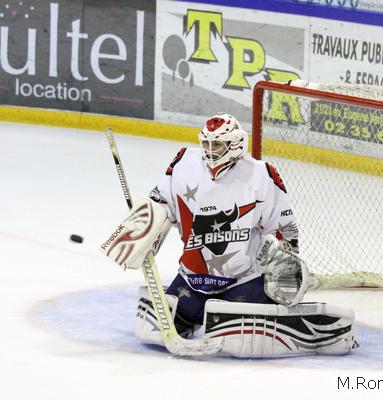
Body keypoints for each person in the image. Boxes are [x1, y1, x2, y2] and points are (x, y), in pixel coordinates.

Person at [102, 112, 356, 357]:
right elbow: (161, 205)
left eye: (217, 145)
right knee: (152, 329)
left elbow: (284, 226)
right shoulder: (184, 163)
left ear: (235, 144)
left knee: (236, 337)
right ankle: (200, 314)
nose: (210, 151)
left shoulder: (261, 174)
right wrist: (143, 227)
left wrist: (283, 258)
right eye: (206, 144)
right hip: (193, 278)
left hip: (242, 280)